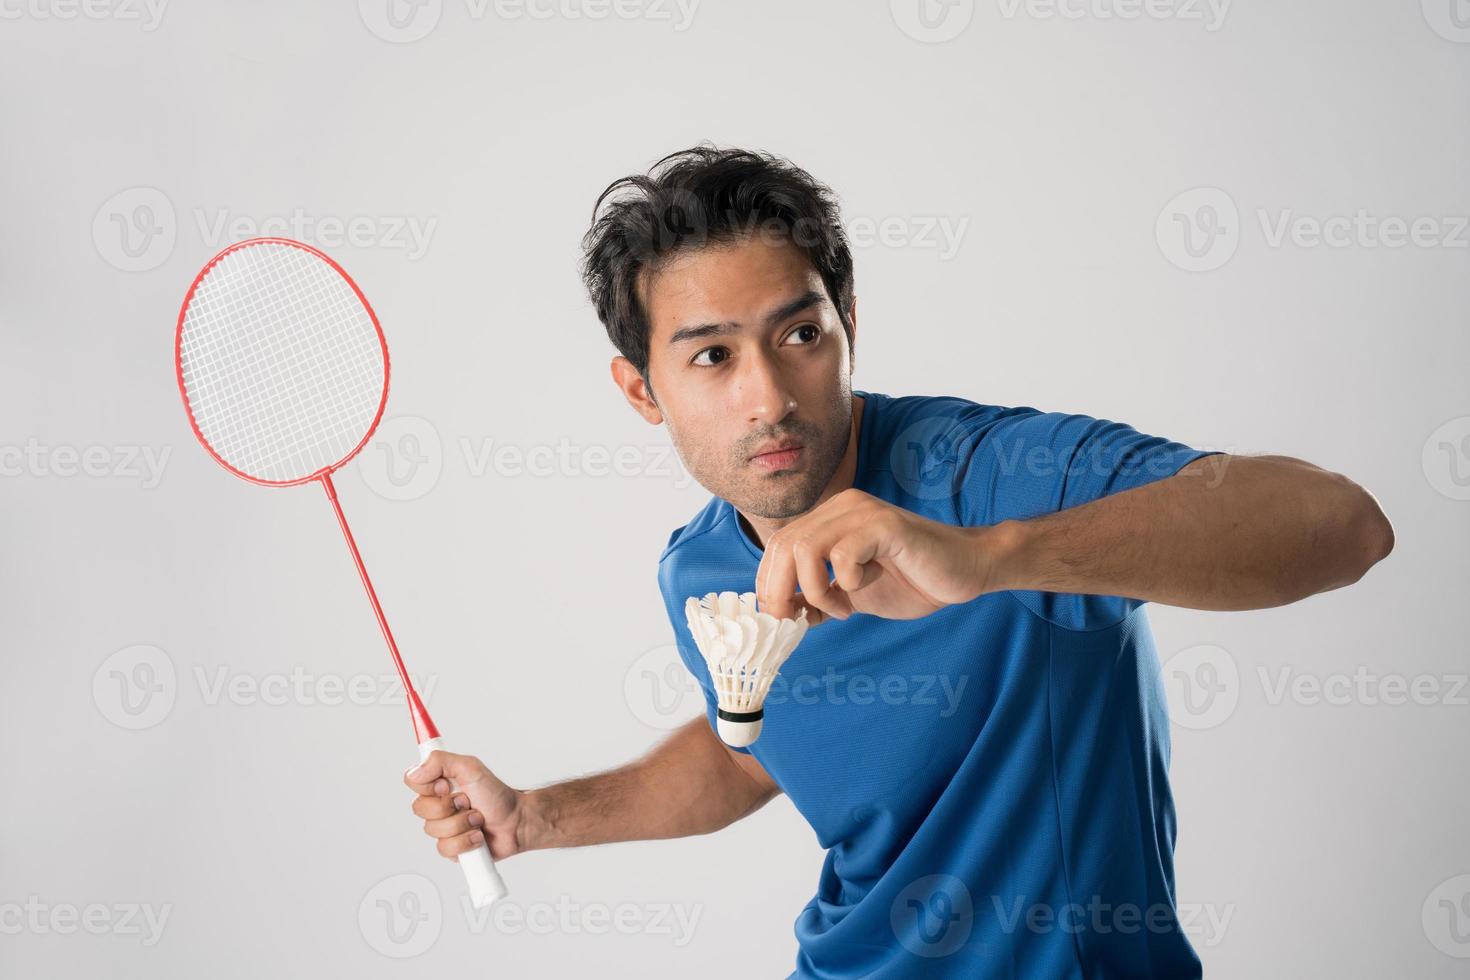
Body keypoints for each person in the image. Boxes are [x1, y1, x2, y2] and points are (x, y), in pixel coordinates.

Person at [403, 145, 1393, 978]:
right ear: (640, 388)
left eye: (798, 332)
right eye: (712, 356)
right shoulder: (696, 572)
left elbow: (1343, 525)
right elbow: (749, 745)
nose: (768, 396)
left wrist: (987, 559)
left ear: (848, 325)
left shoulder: (1000, 475)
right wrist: (535, 815)